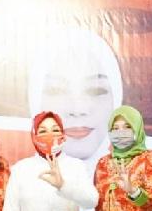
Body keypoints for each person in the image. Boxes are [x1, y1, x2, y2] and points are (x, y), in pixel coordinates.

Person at [27, 27, 123, 179]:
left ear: (116, 99)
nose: (78, 109)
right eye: (56, 90)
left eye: (96, 91)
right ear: (35, 100)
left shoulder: (131, 177)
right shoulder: (23, 178)